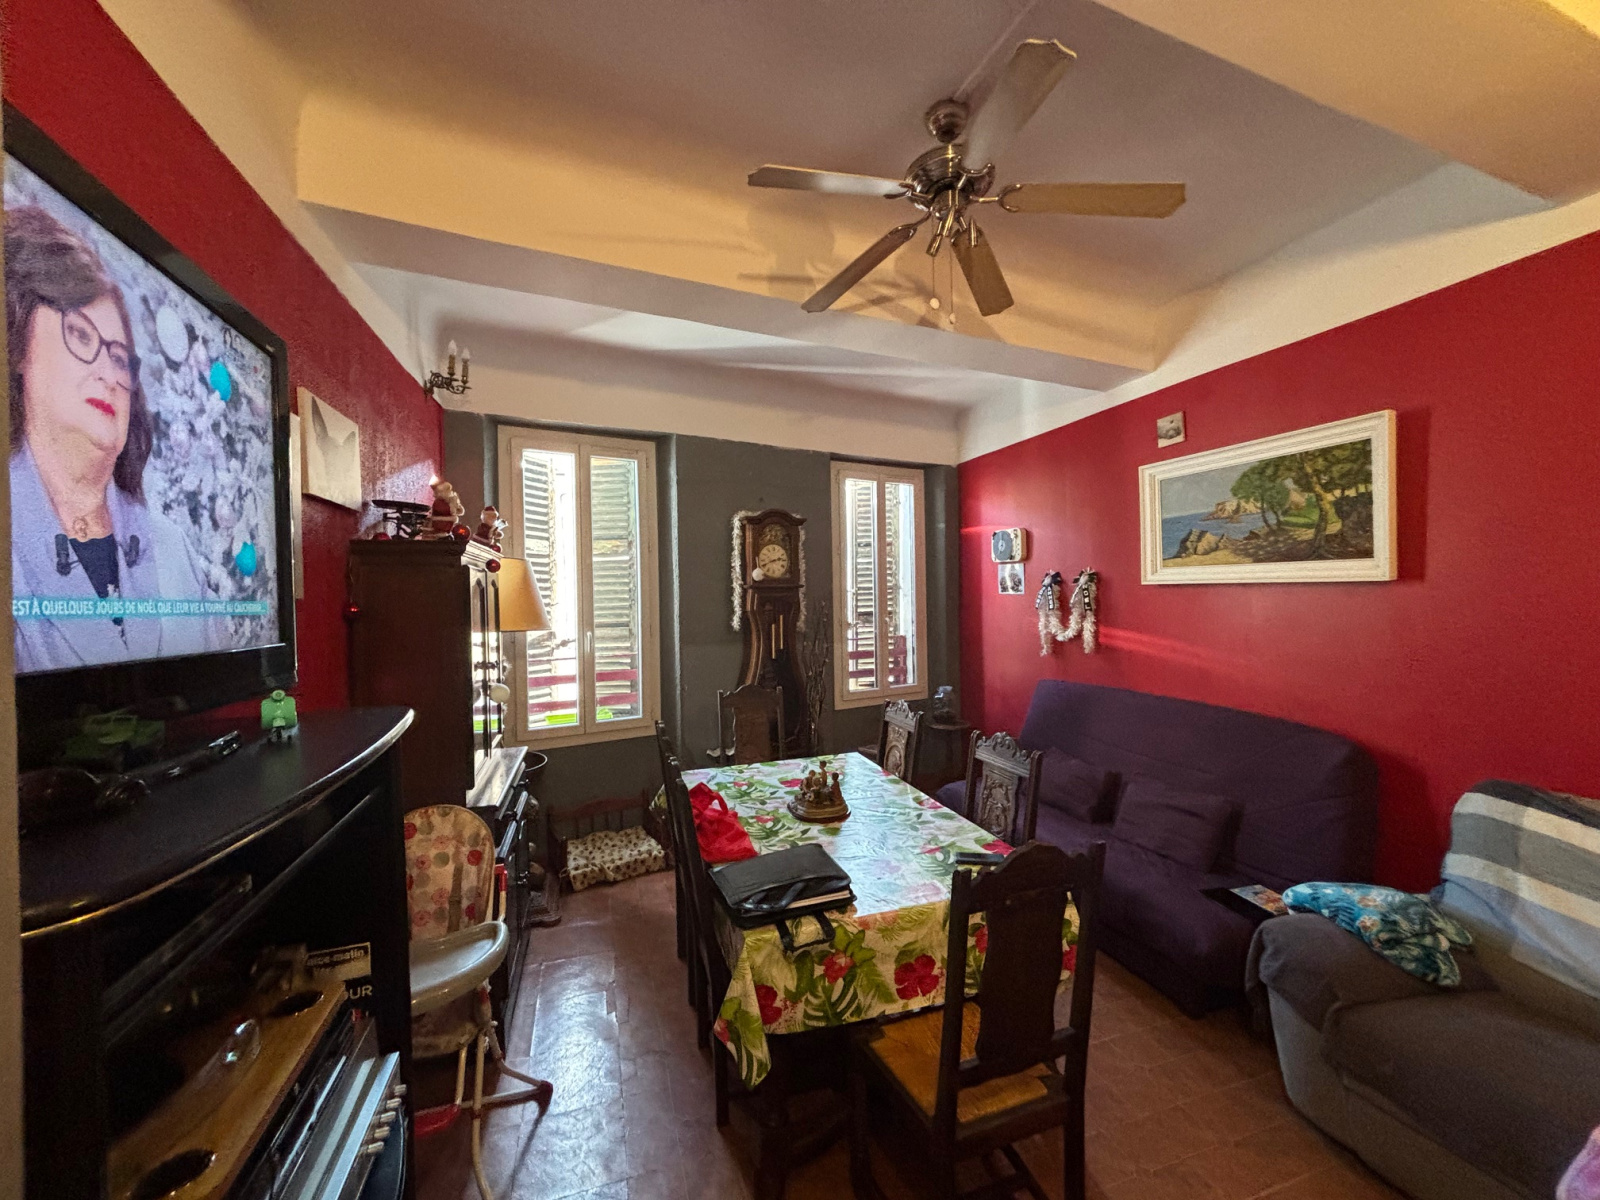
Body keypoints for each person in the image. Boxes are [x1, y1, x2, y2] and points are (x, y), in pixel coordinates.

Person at [7, 205, 222, 672]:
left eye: (121, 359)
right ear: (19, 344)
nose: (108, 373)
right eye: (81, 336)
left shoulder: (173, 550)